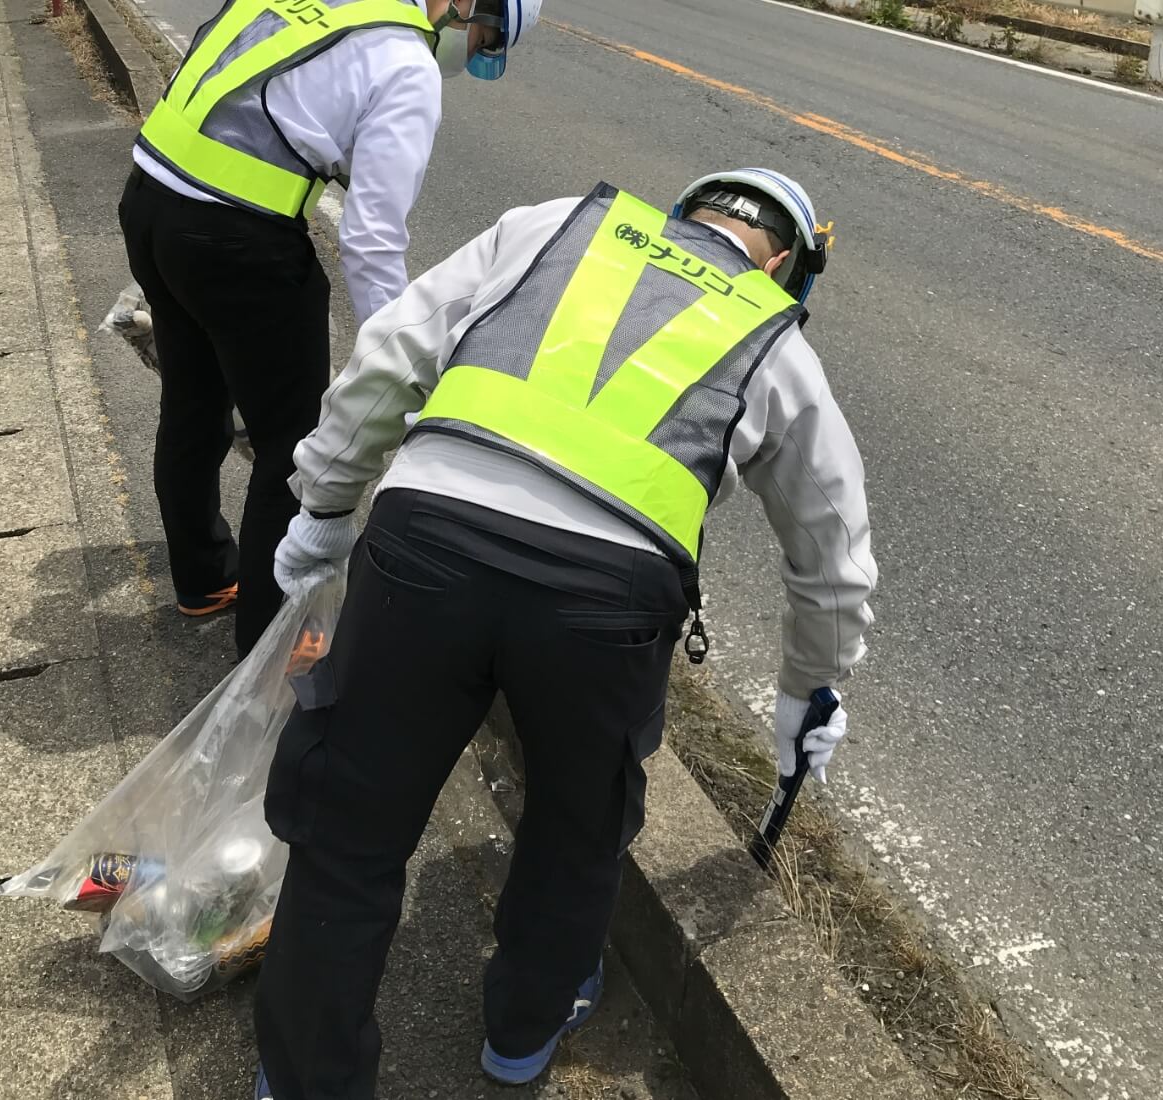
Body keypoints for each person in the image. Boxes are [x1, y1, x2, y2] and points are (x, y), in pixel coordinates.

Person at [256, 167, 878, 1098]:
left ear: (685, 215)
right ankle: (521, 1037)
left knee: (349, 829)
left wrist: (325, 502)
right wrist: (808, 691)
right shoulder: (775, 338)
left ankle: (306, 1083)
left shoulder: (556, 224)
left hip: (426, 540)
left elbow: (394, 347)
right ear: (783, 261)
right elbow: (831, 553)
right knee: (577, 825)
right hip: (606, 603)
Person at [118, 0, 541, 657]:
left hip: (149, 199)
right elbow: (372, 240)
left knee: (193, 400)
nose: (474, 52)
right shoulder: (406, 63)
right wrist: (393, 364)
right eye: (485, 39)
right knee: (294, 445)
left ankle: (203, 579)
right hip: (238, 243)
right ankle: (272, 648)